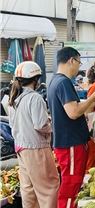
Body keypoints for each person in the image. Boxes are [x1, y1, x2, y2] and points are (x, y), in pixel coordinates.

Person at [47, 47, 95, 208]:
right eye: (79, 62)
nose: (79, 67)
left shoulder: (55, 81)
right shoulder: (63, 82)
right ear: (71, 60)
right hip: (70, 144)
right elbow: (73, 112)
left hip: (69, 143)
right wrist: (93, 98)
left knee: (74, 184)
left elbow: (70, 111)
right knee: (71, 186)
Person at [8, 61, 60, 208]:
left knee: (28, 189)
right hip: (36, 149)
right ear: (36, 79)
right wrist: (53, 126)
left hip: (21, 148)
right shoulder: (35, 98)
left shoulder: (14, 99)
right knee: (49, 187)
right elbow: (40, 125)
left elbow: (15, 124)